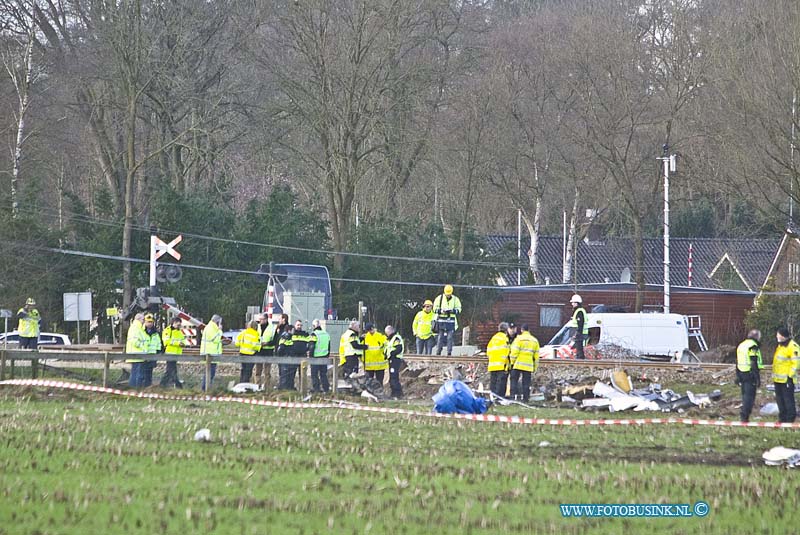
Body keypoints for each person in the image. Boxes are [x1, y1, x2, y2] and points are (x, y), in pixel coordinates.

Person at [736, 329, 764, 422]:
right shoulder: (753, 346)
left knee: (744, 396)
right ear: (757, 337)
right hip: (750, 374)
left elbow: (737, 361)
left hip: (741, 373)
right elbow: (753, 361)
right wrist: (757, 377)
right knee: (750, 397)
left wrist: (737, 375)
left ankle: (743, 415)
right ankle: (745, 417)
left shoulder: (742, 345)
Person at [773, 327, 799, 423]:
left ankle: (789, 420)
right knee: (780, 401)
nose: (777, 336)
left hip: (787, 380)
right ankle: (782, 419)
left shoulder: (793, 346)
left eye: (778, 334)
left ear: (783, 336)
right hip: (778, 379)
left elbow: (795, 363)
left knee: (788, 401)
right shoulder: (780, 346)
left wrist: (790, 376)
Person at [508, 324, 539, 402]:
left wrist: (512, 362)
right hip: (528, 365)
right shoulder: (534, 340)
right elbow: (536, 356)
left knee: (514, 381)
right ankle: (526, 398)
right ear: (529, 330)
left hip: (517, 364)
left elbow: (514, 353)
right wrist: (535, 367)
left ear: (521, 330)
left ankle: (513, 397)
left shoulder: (518, 339)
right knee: (526, 383)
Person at [433, 284, 462, 356]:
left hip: (450, 321)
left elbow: (459, 309)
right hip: (441, 320)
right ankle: (438, 352)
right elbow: (434, 309)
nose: (448, 295)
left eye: (449, 294)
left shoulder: (455, 299)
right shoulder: (439, 298)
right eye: (447, 294)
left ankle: (449, 352)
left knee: (450, 337)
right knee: (440, 337)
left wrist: (452, 311)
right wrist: (441, 311)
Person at [487, 322, 514, 397]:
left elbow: (488, 351)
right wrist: (508, 366)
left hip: (492, 365)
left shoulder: (493, 338)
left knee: (493, 383)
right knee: (501, 384)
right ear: (506, 330)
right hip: (502, 365)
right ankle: (499, 398)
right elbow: (508, 353)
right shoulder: (505, 339)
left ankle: (492, 397)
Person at [286, 320, 314, 391]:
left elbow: (310, 343)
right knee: (291, 374)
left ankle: (303, 389)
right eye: (298, 325)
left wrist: (306, 350)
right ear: (295, 325)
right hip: (293, 356)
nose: (299, 326)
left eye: (300, 325)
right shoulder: (292, 334)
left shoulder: (305, 334)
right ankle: (291, 388)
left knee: (302, 374)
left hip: (302, 356)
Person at [200, 315, 223, 391]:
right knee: (210, 373)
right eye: (220, 322)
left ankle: (206, 388)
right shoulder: (211, 328)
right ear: (217, 321)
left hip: (211, 353)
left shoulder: (211, 327)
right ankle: (205, 388)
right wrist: (220, 331)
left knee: (210, 372)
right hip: (210, 353)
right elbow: (215, 339)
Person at [160, 317, 185, 388]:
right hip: (170, 353)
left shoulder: (179, 332)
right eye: (178, 324)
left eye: (180, 325)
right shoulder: (167, 331)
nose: (179, 326)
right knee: (171, 370)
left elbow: (183, 340)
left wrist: (183, 344)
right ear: (173, 323)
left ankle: (164, 385)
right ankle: (177, 385)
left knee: (171, 370)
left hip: (177, 354)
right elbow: (166, 341)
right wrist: (178, 343)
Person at [125, 313, 148, 387]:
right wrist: (143, 347)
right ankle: (134, 388)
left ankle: (136, 388)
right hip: (136, 354)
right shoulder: (135, 328)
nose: (144, 321)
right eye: (143, 319)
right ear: (138, 319)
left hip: (139, 354)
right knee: (136, 374)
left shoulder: (139, 328)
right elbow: (134, 341)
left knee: (137, 373)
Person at [256, 314, 278, 387]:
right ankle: (257, 386)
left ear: (266, 319)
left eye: (261, 319)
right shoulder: (257, 327)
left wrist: (267, 343)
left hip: (268, 351)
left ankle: (266, 387)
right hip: (259, 351)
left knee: (267, 372)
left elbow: (275, 341)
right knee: (258, 371)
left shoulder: (272, 328)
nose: (260, 321)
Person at [310, 319, 331, 393]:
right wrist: (327, 355)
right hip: (324, 357)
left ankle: (316, 389)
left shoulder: (314, 334)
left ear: (314, 326)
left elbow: (312, 346)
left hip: (315, 357)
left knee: (314, 375)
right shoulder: (326, 334)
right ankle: (326, 389)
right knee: (323, 374)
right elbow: (328, 347)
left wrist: (310, 356)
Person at [384, 325, 405, 399]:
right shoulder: (391, 339)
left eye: (387, 333)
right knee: (392, 377)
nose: (387, 334)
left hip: (395, 360)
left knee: (394, 378)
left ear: (391, 331)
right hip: (392, 360)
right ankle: (394, 393)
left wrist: (391, 354)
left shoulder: (396, 338)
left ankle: (397, 394)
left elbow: (398, 348)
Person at [142, 314, 162, 387]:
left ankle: (148, 385)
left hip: (153, 354)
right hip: (144, 354)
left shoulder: (156, 333)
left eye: (151, 322)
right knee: (143, 370)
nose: (150, 323)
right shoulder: (142, 331)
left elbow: (158, 343)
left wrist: (158, 351)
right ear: (145, 322)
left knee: (150, 371)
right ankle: (143, 385)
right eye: (148, 322)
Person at [569, 294, 588, 360]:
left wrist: (577, 333)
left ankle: (580, 360)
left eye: (573, 302)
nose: (572, 304)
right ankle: (579, 359)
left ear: (577, 303)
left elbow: (580, 324)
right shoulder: (578, 311)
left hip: (580, 333)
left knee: (579, 348)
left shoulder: (579, 311)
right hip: (579, 333)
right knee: (578, 348)